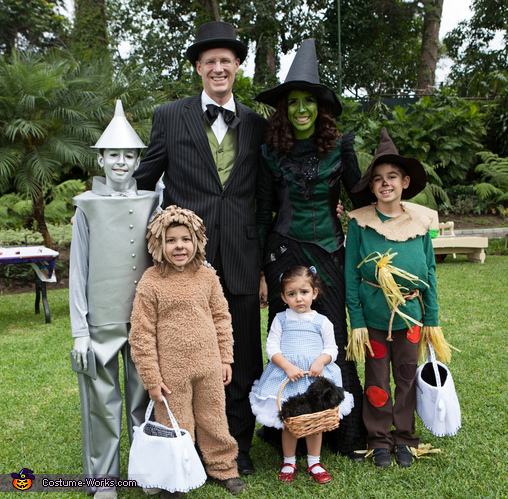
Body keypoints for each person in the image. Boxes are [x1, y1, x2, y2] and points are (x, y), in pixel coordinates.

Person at [132, 21, 265, 475]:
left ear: (238, 67)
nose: (218, 68)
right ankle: (184, 447)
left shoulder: (257, 123)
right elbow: (145, 179)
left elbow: (263, 196)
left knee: (242, 353)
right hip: (186, 261)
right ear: (198, 69)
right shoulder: (170, 115)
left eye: (226, 60)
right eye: (209, 61)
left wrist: (266, 263)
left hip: (244, 255)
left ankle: (237, 446)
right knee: (184, 355)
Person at [254, 38, 367, 459]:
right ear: (285, 109)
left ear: (319, 107)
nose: (301, 109)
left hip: (328, 251)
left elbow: (361, 202)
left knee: (330, 336)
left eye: (308, 101)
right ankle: (288, 430)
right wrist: (261, 274)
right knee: (284, 338)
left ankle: (343, 432)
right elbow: (264, 210)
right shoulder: (269, 151)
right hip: (282, 252)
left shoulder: (340, 148)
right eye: (294, 102)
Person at [344, 127, 450, 468]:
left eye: (392, 176)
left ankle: (405, 438)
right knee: (377, 380)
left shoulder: (420, 223)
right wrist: (357, 321)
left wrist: (431, 318)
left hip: (411, 317)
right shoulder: (360, 225)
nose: (385, 183)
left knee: (406, 376)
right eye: (377, 178)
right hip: (374, 319)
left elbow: (430, 273)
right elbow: (350, 276)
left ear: (405, 181)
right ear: (371, 187)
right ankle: (379, 440)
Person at [69, 101, 159, 499]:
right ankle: (104, 481)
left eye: (128, 155)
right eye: (113, 155)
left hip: (143, 321)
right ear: (101, 159)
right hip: (100, 323)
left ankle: (147, 471)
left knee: (146, 401)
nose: (120, 162)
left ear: (138, 160)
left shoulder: (153, 202)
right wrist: (79, 332)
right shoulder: (85, 207)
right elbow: (77, 273)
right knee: (103, 405)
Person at [129, 205, 246, 496]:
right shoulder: (151, 282)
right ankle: (174, 477)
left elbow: (221, 318)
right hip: (171, 374)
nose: (179, 246)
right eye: (171, 240)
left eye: (185, 239)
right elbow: (141, 334)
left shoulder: (208, 278)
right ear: (158, 244)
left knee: (214, 420)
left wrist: (226, 358)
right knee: (175, 425)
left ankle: (223, 468)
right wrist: (151, 378)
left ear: (197, 241)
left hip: (209, 366)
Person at [250, 266, 354, 483]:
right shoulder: (281, 319)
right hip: (288, 378)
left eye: (304, 292)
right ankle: (289, 461)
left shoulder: (322, 321)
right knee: (291, 421)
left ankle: (314, 461)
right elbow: (272, 348)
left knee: (315, 423)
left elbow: (332, 349)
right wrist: (287, 366)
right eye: (291, 294)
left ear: (314, 293)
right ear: (283, 297)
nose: (299, 298)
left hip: (314, 380)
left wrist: (320, 362)